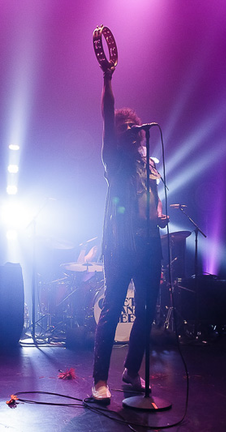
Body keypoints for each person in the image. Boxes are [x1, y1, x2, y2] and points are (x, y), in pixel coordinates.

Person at [90, 64, 169, 403]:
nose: (129, 129)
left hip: (150, 243)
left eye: (132, 126)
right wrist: (108, 78)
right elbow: (108, 115)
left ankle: (131, 371)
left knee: (148, 310)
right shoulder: (114, 160)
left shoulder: (148, 164)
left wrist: (160, 213)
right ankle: (98, 380)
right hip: (121, 244)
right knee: (112, 308)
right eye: (123, 127)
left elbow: (153, 197)